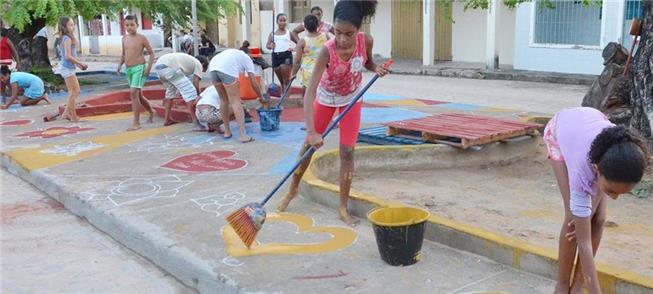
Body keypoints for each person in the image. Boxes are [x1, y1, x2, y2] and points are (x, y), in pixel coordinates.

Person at [276, 0, 389, 226]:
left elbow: (366, 61)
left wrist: (376, 68)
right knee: (307, 148)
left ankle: (343, 207)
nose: (343, 39)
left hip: (351, 100)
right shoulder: (327, 50)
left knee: (347, 153)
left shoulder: (365, 41)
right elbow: (310, 93)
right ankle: (292, 190)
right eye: (338, 32)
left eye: (349, 33)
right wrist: (311, 131)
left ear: (359, 28)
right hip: (326, 99)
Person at [544, 107, 650, 294]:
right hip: (559, 133)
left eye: (620, 194)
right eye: (611, 191)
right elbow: (583, 242)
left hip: (592, 129)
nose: (615, 197)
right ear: (597, 169)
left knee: (598, 219)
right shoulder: (581, 171)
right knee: (572, 220)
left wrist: (593, 208)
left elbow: (595, 210)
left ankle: (577, 287)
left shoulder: (617, 152)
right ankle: (561, 287)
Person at [207, 48, 266, 143]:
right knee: (235, 101)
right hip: (226, 68)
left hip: (213, 67)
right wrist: (261, 97)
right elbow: (253, 81)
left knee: (223, 99)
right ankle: (243, 135)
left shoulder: (234, 54)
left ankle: (227, 131)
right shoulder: (247, 59)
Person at [117, 15, 155, 131]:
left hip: (139, 68)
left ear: (137, 25)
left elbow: (152, 54)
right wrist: (119, 65)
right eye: (127, 25)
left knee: (133, 93)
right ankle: (151, 111)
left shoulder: (142, 38)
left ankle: (136, 123)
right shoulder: (124, 38)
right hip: (129, 69)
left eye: (132, 25)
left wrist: (148, 68)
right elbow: (124, 54)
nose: (129, 27)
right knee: (138, 95)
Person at [154, 53, 208, 126]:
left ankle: (167, 119)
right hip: (170, 67)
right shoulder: (198, 64)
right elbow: (195, 83)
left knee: (170, 94)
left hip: (159, 67)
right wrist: (199, 97)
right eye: (203, 70)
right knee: (190, 91)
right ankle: (195, 120)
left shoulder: (187, 61)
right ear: (203, 64)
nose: (202, 72)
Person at [57, 16, 88, 122]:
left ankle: (66, 113)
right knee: (74, 92)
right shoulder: (67, 38)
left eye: (73, 24)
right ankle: (73, 116)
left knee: (75, 91)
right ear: (64, 27)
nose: (73, 26)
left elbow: (70, 56)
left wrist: (78, 65)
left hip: (68, 67)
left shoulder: (67, 38)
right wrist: (80, 63)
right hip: (66, 68)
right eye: (70, 25)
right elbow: (68, 56)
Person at [291, 14, 330, 98]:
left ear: (304, 26)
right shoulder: (325, 36)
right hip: (323, 70)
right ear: (318, 25)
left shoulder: (302, 41)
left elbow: (297, 60)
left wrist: (293, 73)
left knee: (308, 95)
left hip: (308, 72)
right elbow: (332, 51)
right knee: (322, 96)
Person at [266, 13, 298, 94]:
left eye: (284, 20)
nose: (283, 22)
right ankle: (283, 96)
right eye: (281, 20)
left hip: (286, 55)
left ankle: (286, 99)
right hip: (275, 56)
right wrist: (271, 46)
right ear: (277, 22)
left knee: (286, 80)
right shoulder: (272, 34)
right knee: (281, 82)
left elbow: (299, 43)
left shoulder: (289, 33)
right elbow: (267, 45)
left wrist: (294, 49)